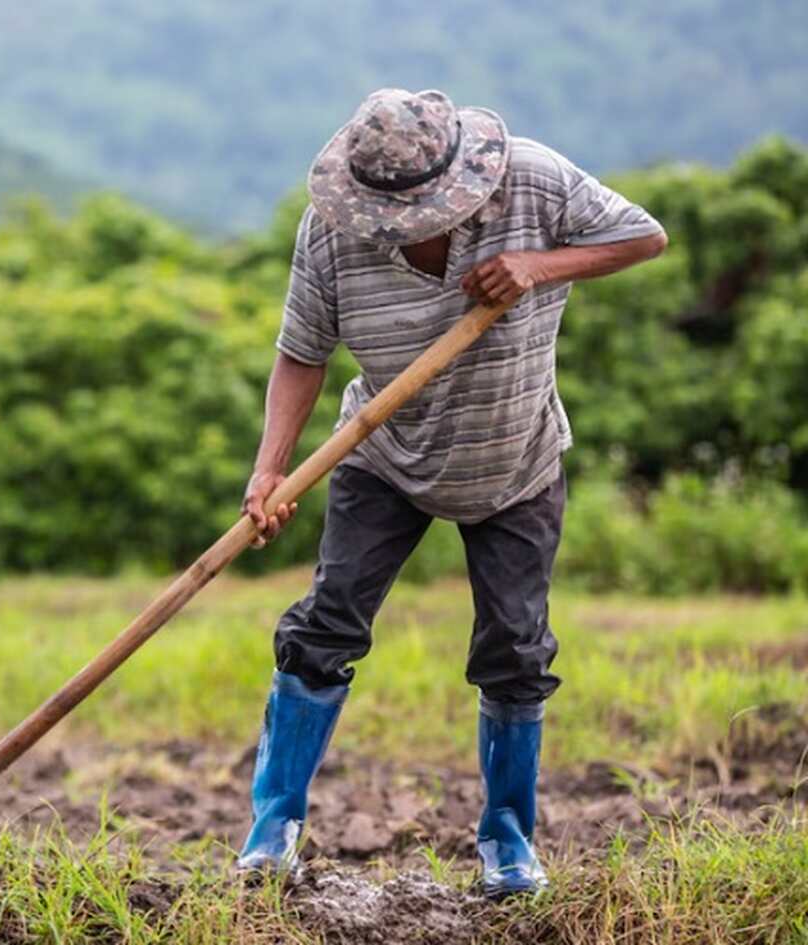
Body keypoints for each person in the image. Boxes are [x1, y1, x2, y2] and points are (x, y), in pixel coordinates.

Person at [237, 88, 667, 896]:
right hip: (382, 453)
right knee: (325, 626)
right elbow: (301, 352)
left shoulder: (533, 180)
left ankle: (508, 841)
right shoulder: (331, 232)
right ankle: (272, 832)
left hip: (515, 459)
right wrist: (271, 469)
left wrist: (538, 265)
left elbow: (644, 236)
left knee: (515, 649)